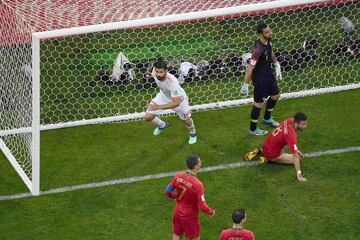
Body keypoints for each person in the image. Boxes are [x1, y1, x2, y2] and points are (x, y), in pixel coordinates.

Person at [241, 22, 282, 136]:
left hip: (268, 74)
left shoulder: (268, 40)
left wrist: (276, 63)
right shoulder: (257, 50)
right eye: (267, 32)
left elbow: (271, 51)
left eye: (270, 30)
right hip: (260, 79)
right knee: (259, 104)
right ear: (260, 34)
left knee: (275, 96)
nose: (270, 33)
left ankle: (267, 118)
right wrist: (245, 85)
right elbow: (250, 67)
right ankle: (253, 129)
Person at [144, 58, 197, 144]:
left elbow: (176, 103)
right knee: (148, 117)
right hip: (163, 96)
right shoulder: (153, 71)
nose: (158, 74)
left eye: (161, 72)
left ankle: (193, 133)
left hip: (179, 100)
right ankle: (162, 125)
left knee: (185, 119)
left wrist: (158, 107)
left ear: (166, 71)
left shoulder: (172, 82)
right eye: (157, 71)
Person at [244, 112, 308, 182]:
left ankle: (260, 151)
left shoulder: (289, 120)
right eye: (303, 124)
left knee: (281, 145)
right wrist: (299, 174)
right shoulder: (291, 135)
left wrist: (297, 150)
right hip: (271, 153)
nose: (305, 126)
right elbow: (295, 156)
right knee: (298, 159)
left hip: (266, 144)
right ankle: (267, 158)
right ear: (296, 123)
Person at [165, 155, 215, 240]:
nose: (201, 162)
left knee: (176, 235)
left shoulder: (178, 175)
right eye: (199, 162)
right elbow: (202, 206)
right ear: (196, 166)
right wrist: (211, 212)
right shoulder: (198, 185)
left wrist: (175, 196)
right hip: (189, 216)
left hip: (177, 212)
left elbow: (167, 191)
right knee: (195, 238)